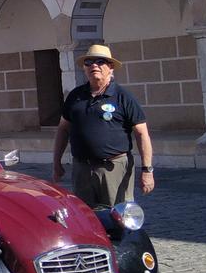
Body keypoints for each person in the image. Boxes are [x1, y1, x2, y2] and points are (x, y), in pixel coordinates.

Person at [52, 44, 155, 208]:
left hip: (113, 168)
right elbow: (63, 129)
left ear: (111, 67)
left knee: (118, 216)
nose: (94, 66)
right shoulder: (75, 96)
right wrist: (56, 162)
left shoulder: (123, 97)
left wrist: (147, 170)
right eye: (89, 62)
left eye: (100, 61)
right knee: (85, 217)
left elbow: (142, 134)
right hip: (82, 169)